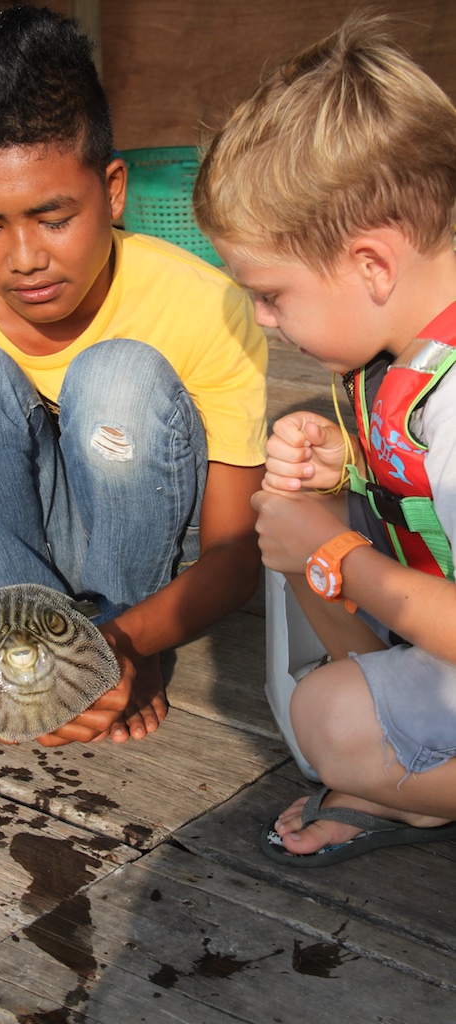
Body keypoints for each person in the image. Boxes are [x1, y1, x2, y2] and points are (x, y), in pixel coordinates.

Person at [0, 5, 267, 748]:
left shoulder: (203, 305)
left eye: (53, 217)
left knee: (121, 378)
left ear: (112, 190)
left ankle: (111, 635)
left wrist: (125, 645)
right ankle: (32, 658)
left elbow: (235, 553)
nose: (23, 257)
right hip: (7, 603)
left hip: (132, 584)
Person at [193, 10, 456, 864]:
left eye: (271, 294)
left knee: (326, 727)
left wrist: (336, 553)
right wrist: (348, 468)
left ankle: (421, 794)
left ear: (372, 263)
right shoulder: (410, 350)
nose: (263, 322)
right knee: (295, 506)